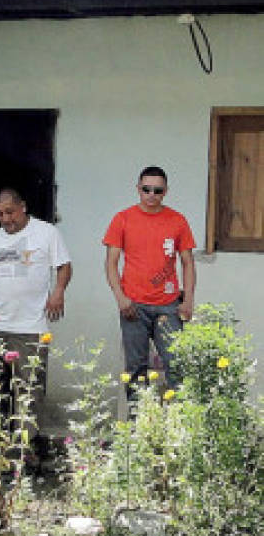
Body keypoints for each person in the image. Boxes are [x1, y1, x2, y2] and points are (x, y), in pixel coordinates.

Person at [0, 188, 72, 438]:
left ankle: (24, 448)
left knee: (29, 389)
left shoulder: (46, 233)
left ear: (23, 207)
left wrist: (58, 291)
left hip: (31, 327)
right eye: (0, 214)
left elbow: (64, 266)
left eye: (10, 212)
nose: (6, 219)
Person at [103, 165, 196, 396]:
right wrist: (120, 297)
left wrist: (188, 300)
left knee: (177, 364)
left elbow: (188, 262)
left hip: (169, 305)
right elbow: (111, 263)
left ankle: (178, 424)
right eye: (146, 189)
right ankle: (137, 427)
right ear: (138, 189)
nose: (152, 195)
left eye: (157, 190)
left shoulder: (177, 220)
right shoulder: (123, 219)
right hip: (134, 305)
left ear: (166, 192)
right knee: (136, 368)